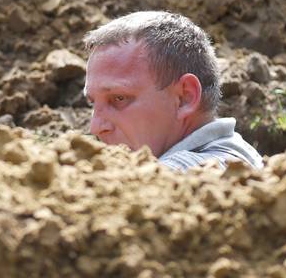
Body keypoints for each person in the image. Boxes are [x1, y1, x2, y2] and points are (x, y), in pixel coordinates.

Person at [83, 11, 263, 171]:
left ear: (185, 97)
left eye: (119, 98)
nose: (96, 127)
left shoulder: (190, 175)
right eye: (93, 103)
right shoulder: (234, 159)